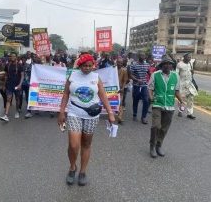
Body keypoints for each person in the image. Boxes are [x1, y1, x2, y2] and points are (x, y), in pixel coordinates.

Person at [58, 53, 115, 186]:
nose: (88, 68)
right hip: (74, 113)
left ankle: (82, 172)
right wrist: (61, 112)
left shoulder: (96, 77)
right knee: (73, 145)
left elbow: (103, 96)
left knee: (86, 144)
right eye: (85, 66)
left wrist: (110, 113)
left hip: (92, 115)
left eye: (90, 65)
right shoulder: (72, 76)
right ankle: (72, 167)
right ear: (80, 65)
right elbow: (66, 94)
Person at [148, 55, 184, 158]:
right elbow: (150, 88)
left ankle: (159, 145)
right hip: (157, 104)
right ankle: (152, 146)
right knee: (156, 126)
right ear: (162, 65)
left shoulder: (175, 76)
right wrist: (150, 97)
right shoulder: (155, 75)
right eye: (165, 64)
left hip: (169, 106)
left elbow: (176, 91)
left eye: (169, 64)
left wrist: (181, 101)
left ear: (172, 66)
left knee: (164, 128)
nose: (167, 66)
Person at [0, 53, 24, 122]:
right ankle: (6, 115)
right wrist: (4, 85)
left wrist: (20, 85)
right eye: (11, 56)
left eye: (14, 56)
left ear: (16, 57)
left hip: (17, 85)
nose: (12, 57)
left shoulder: (19, 65)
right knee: (8, 99)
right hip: (9, 85)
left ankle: (17, 111)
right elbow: (6, 76)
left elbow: (22, 76)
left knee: (17, 99)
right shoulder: (7, 65)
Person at [129, 51, 150, 124]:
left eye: (144, 56)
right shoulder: (134, 65)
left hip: (144, 85)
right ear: (138, 56)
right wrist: (137, 79)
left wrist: (151, 81)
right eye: (141, 55)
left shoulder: (147, 65)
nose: (142, 57)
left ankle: (143, 117)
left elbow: (149, 73)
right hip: (136, 85)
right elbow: (130, 75)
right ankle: (135, 114)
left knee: (146, 100)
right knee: (136, 100)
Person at [176, 53, 198, 119]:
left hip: (189, 84)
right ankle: (180, 111)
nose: (189, 58)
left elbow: (191, 73)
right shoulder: (179, 64)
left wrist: (193, 72)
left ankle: (190, 113)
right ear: (184, 57)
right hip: (182, 84)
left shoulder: (190, 64)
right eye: (188, 57)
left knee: (191, 98)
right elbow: (176, 74)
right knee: (181, 98)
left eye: (190, 57)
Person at [116, 57, 128, 123]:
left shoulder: (124, 70)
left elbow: (125, 81)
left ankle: (120, 117)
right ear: (116, 62)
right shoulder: (113, 69)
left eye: (120, 62)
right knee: (113, 102)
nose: (119, 64)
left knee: (120, 102)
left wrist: (122, 88)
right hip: (113, 89)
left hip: (120, 89)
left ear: (122, 63)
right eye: (118, 62)